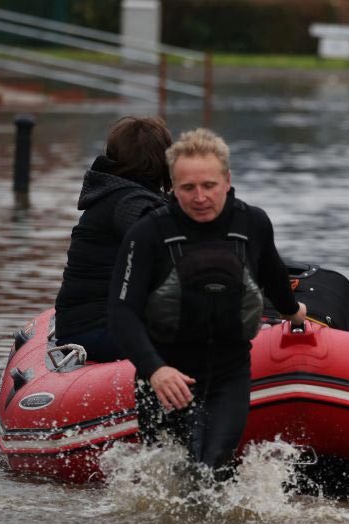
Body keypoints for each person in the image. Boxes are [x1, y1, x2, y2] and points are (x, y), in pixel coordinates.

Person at [108, 128, 306, 472]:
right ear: (172, 186)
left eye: (209, 186)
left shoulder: (253, 223)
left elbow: (274, 279)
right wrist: (155, 370)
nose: (200, 197)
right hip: (167, 377)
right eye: (188, 188)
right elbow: (121, 312)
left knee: (210, 469)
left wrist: (295, 313)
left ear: (227, 180)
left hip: (229, 373)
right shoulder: (148, 233)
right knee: (171, 480)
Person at [54, 116, 172, 362]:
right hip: (96, 330)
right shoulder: (129, 203)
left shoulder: (115, 193)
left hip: (84, 325)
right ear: (162, 162)